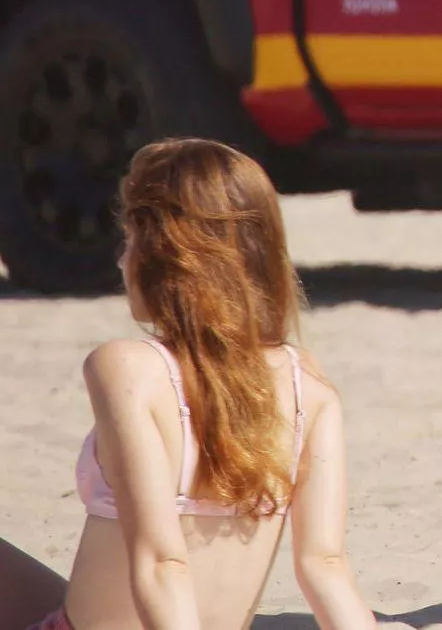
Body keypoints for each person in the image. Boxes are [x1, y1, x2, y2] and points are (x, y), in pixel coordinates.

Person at [5, 137, 390, 630]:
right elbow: (325, 565)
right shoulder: (307, 387)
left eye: (130, 240)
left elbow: (162, 562)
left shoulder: (128, 368)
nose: (121, 261)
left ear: (166, 255)